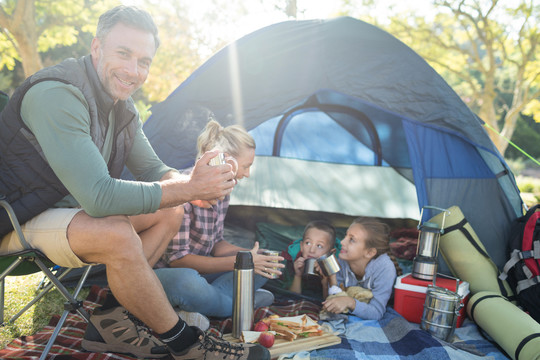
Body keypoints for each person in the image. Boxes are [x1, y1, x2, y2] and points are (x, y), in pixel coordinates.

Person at [0, 5, 269, 360]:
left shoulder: (123, 108)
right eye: (123, 54)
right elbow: (98, 198)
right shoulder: (57, 94)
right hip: (16, 216)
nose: (133, 70)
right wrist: (187, 189)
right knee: (117, 231)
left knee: (171, 211)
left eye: (144, 61)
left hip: (63, 213)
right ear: (96, 48)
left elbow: (155, 169)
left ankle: (114, 318)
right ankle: (184, 344)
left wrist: (194, 183)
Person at [154, 119, 283, 318]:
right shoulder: (183, 189)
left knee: (265, 260)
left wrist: (249, 255)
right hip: (173, 274)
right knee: (188, 281)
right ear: (227, 161)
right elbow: (178, 261)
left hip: (204, 273)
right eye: (246, 166)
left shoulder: (225, 188)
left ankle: (208, 304)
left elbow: (216, 245)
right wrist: (241, 263)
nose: (247, 174)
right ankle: (240, 304)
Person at [322, 217, 401, 320]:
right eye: (346, 235)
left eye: (352, 240)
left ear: (369, 252)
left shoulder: (385, 269)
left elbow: (376, 312)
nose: (342, 242)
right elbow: (335, 299)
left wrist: (350, 302)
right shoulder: (342, 259)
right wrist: (330, 278)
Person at [280, 220, 337, 299]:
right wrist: (297, 275)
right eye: (308, 243)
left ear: (331, 253)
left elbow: (331, 303)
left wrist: (325, 282)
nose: (312, 250)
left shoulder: (334, 270)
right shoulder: (294, 263)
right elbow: (291, 298)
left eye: (319, 246)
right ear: (301, 246)